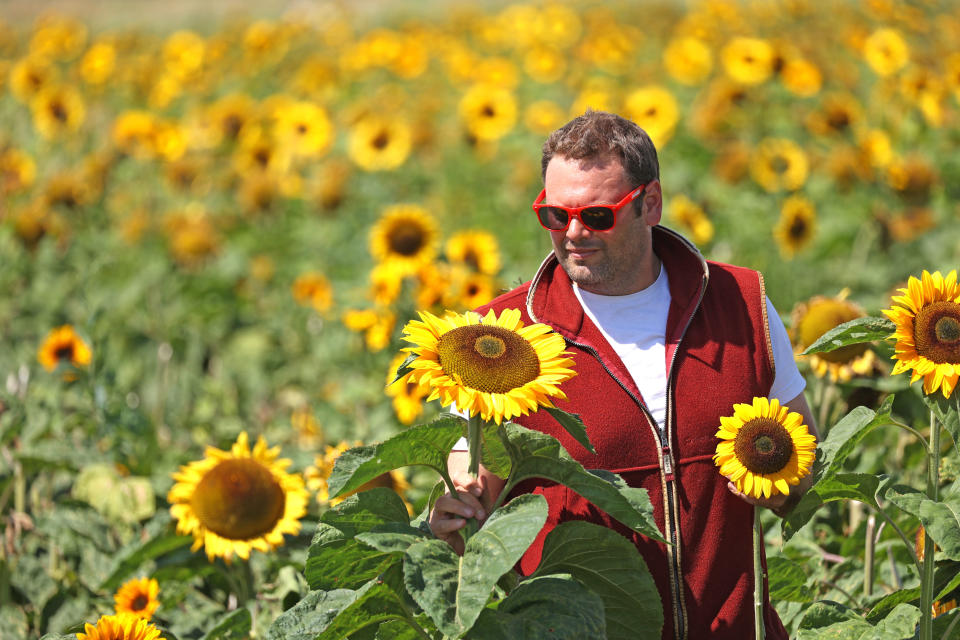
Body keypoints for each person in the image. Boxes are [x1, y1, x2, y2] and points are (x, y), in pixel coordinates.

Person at [428, 110, 819, 640]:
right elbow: (471, 480)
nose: (572, 233)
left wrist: (783, 488)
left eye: (596, 216)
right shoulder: (502, 338)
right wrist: (454, 510)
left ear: (649, 203)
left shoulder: (743, 305)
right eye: (553, 214)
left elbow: (804, 462)